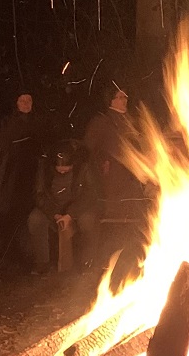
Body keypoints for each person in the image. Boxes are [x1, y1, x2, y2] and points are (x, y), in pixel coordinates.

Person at [0, 90, 44, 257]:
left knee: (30, 214)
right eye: (22, 100)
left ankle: (30, 254)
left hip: (33, 177)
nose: (26, 104)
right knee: (10, 213)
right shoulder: (6, 124)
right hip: (11, 178)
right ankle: (8, 253)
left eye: (29, 100)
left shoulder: (38, 122)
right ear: (15, 103)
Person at [27, 141, 101, 274]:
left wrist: (70, 214)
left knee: (87, 221)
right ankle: (42, 262)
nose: (62, 170)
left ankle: (86, 262)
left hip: (77, 207)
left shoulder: (83, 167)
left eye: (66, 167)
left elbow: (90, 194)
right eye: (59, 167)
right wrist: (54, 214)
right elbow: (39, 195)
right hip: (53, 208)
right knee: (35, 219)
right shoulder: (44, 168)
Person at [85, 85, 148, 221]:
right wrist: (103, 162)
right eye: (119, 97)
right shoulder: (102, 121)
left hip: (133, 174)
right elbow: (88, 149)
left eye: (125, 97)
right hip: (113, 176)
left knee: (134, 213)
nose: (124, 100)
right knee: (115, 215)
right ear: (111, 100)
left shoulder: (133, 120)